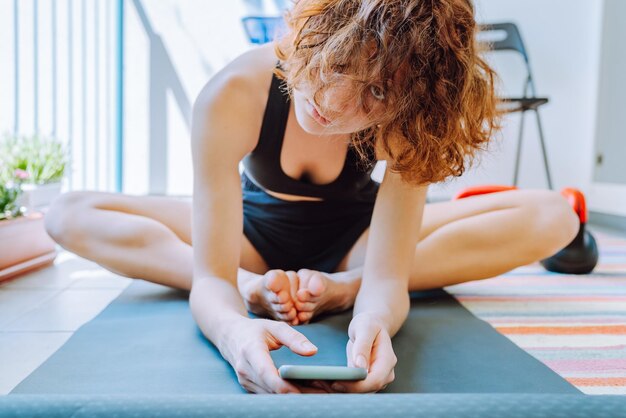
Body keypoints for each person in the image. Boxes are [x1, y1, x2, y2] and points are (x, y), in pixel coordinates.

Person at [44, 0, 580, 394]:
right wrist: (235, 328)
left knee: (555, 215)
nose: (333, 102)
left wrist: (370, 311)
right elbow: (211, 277)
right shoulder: (235, 92)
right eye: (340, 62)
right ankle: (256, 287)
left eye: (376, 92)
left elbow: (389, 280)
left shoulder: (408, 120)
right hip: (248, 242)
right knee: (67, 213)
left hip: (358, 245)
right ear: (314, 28)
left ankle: (339, 288)